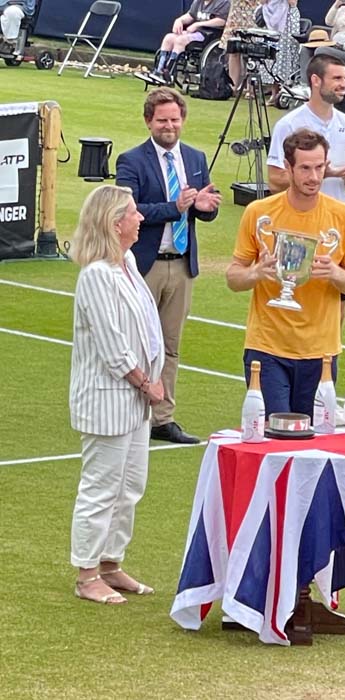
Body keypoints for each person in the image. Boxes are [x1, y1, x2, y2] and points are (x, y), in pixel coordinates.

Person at [226, 128, 345, 417]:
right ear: (288, 168)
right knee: (275, 435)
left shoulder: (343, 216)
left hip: (321, 352)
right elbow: (233, 277)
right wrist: (256, 273)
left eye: (319, 167)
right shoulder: (258, 213)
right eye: (304, 168)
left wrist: (335, 274)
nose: (314, 177)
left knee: (313, 443)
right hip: (267, 347)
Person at [69, 185, 165, 605]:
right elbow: (112, 348)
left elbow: (143, 326)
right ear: (114, 224)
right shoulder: (95, 276)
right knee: (101, 486)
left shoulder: (126, 261)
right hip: (110, 396)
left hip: (137, 400)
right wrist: (148, 383)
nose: (141, 218)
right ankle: (87, 573)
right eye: (133, 213)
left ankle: (111, 563)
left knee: (130, 485)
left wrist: (149, 386)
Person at [116, 88, 221, 444]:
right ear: (149, 121)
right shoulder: (131, 161)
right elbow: (130, 212)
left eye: (175, 119)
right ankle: (130, 414)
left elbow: (204, 210)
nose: (169, 126)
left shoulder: (194, 157)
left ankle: (163, 418)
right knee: (136, 343)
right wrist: (174, 207)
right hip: (145, 265)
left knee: (170, 345)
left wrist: (205, 207)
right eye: (162, 120)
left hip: (181, 263)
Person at [267, 54, 345, 201]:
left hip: (336, 217)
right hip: (299, 217)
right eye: (337, 78)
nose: (344, 84)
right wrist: (321, 174)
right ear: (316, 80)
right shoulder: (288, 125)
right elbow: (275, 182)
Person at [135, 0, 230, 85]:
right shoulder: (198, 2)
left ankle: (169, 74)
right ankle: (158, 71)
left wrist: (198, 24)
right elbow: (190, 16)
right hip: (195, 33)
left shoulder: (222, 2)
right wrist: (179, 20)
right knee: (169, 38)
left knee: (180, 40)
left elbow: (222, 21)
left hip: (209, 35)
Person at [259, 0, 301, 106]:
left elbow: (293, 2)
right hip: (269, 17)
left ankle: (283, 93)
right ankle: (274, 93)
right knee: (271, 57)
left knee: (283, 56)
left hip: (287, 20)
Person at [220, 0, 260, 93]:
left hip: (254, 10)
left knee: (253, 51)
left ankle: (251, 88)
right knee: (234, 50)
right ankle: (233, 87)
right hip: (237, 12)